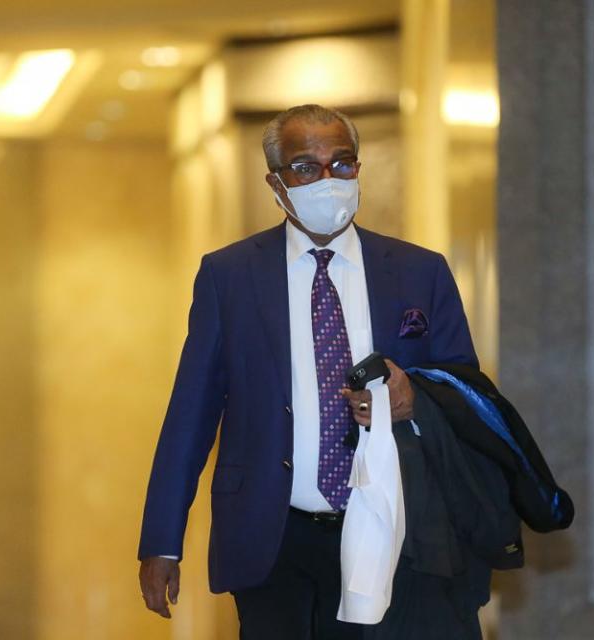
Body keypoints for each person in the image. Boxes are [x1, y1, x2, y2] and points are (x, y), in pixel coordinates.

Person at [138, 104, 480, 639]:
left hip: (394, 526)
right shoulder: (229, 276)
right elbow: (191, 413)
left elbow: (468, 394)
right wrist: (162, 540)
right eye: (306, 167)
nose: (328, 180)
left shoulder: (420, 271)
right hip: (274, 537)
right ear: (276, 183)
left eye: (342, 164)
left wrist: (415, 398)